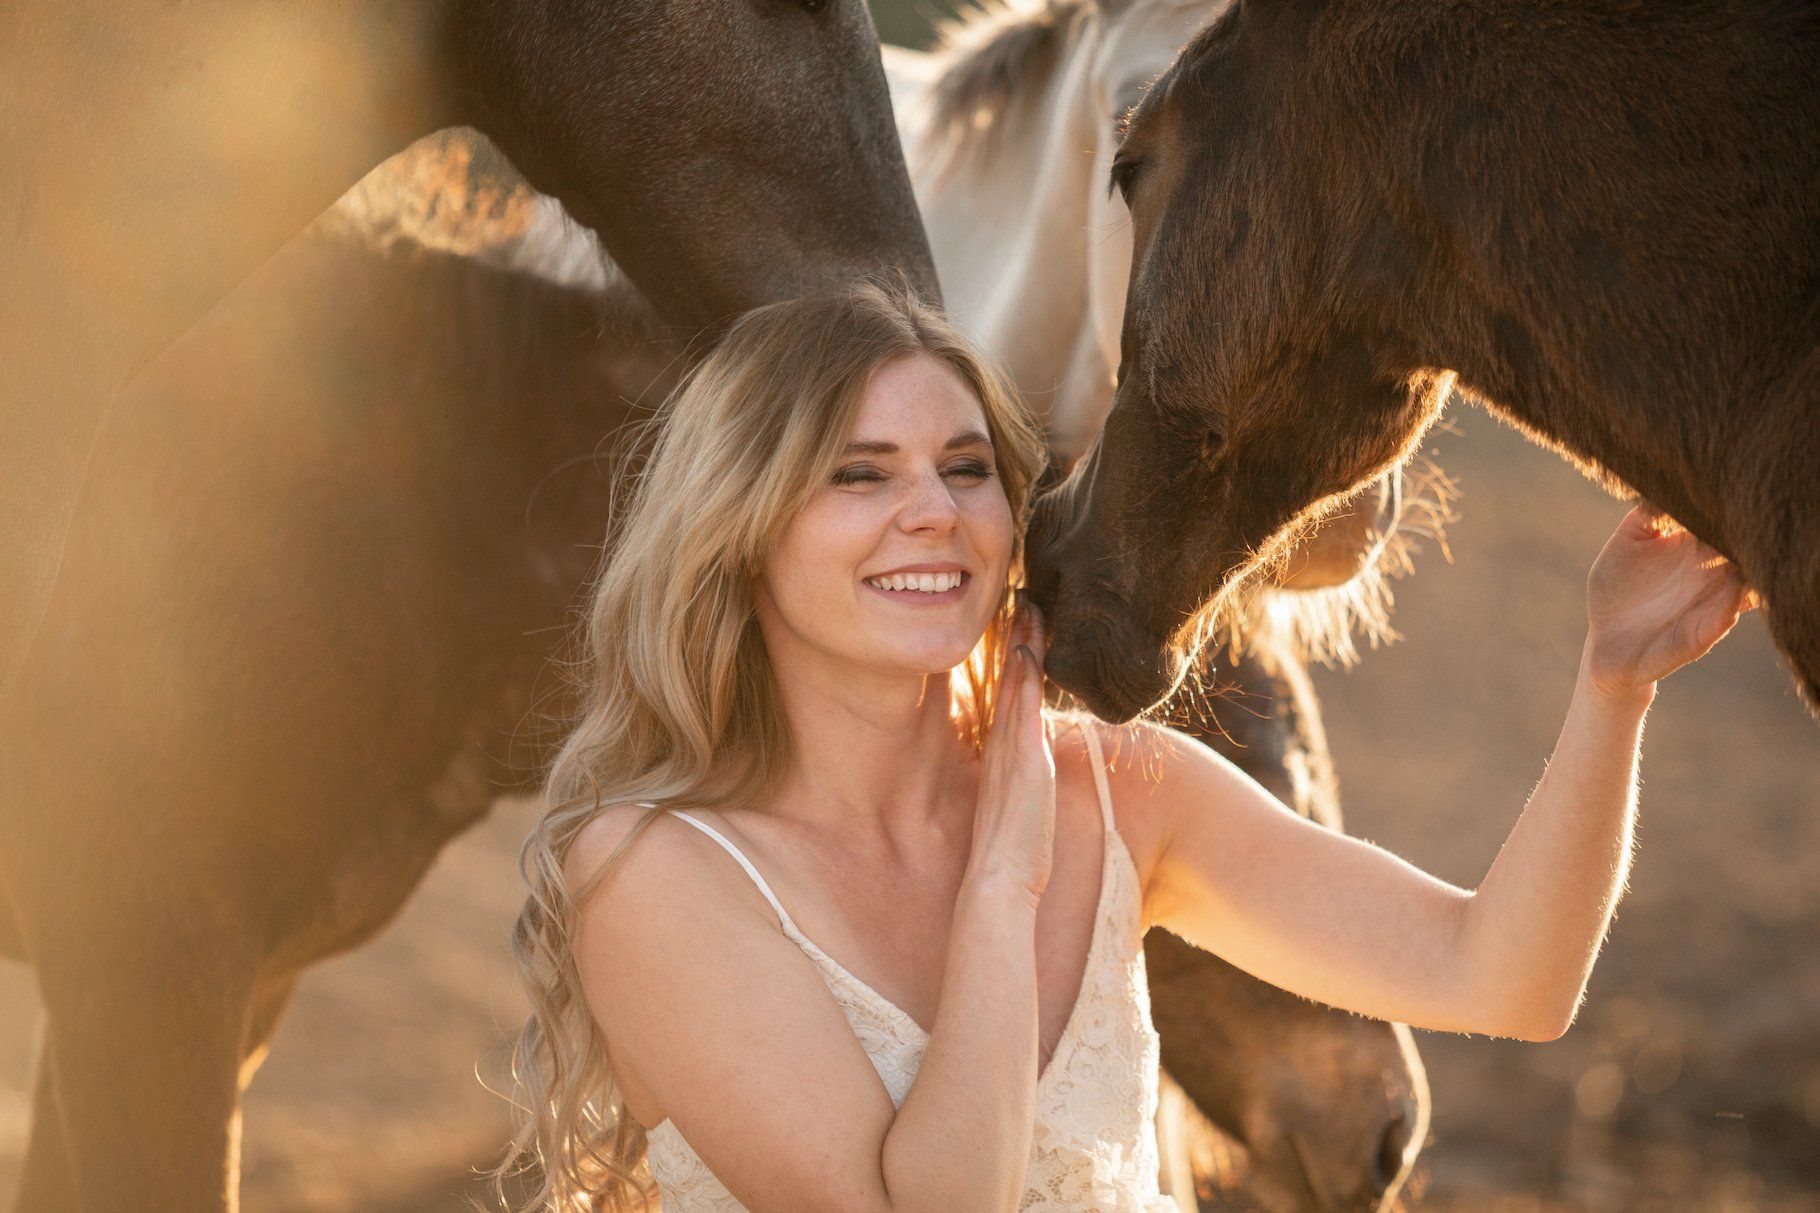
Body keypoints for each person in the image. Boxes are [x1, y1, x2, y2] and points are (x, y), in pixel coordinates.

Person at [488, 276, 1757, 1213]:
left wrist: (1612, 685)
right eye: (858, 475)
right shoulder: (655, 872)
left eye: (966, 467)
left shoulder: (1120, 789)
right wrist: (1004, 881)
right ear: (743, 529)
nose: (932, 513)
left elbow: (1503, 977)